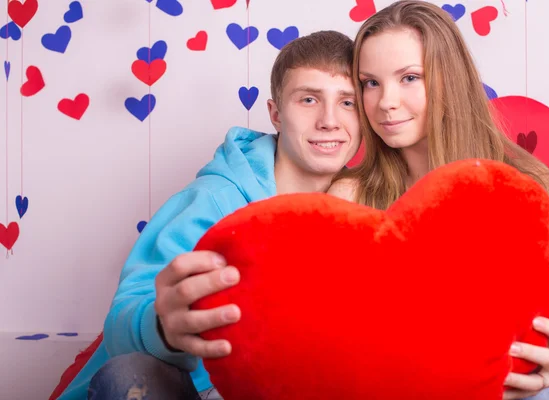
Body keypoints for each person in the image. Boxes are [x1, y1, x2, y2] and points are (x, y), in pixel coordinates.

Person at [56, 30, 361, 400]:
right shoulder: (214, 200)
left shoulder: (363, 211)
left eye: (348, 102)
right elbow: (125, 314)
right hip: (186, 387)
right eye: (309, 99)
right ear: (276, 114)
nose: (329, 120)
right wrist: (163, 328)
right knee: (128, 374)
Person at [326, 1, 549, 400]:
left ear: (449, 79)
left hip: (512, 372)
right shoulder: (352, 197)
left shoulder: (521, 182)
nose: (386, 102)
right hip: (422, 384)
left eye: (409, 77)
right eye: (371, 83)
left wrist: (543, 358)